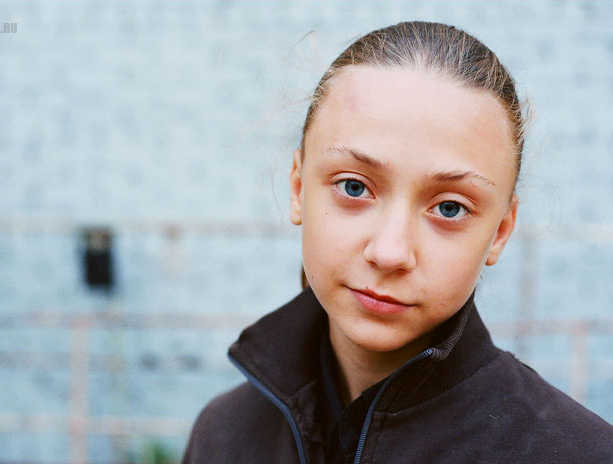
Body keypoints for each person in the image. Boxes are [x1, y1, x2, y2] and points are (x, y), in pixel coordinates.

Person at [182, 21, 613, 463]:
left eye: (449, 208)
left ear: (501, 231)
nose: (389, 253)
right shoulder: (224, 435)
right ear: (298, 188)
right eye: (353, 187)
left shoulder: (579, 453)